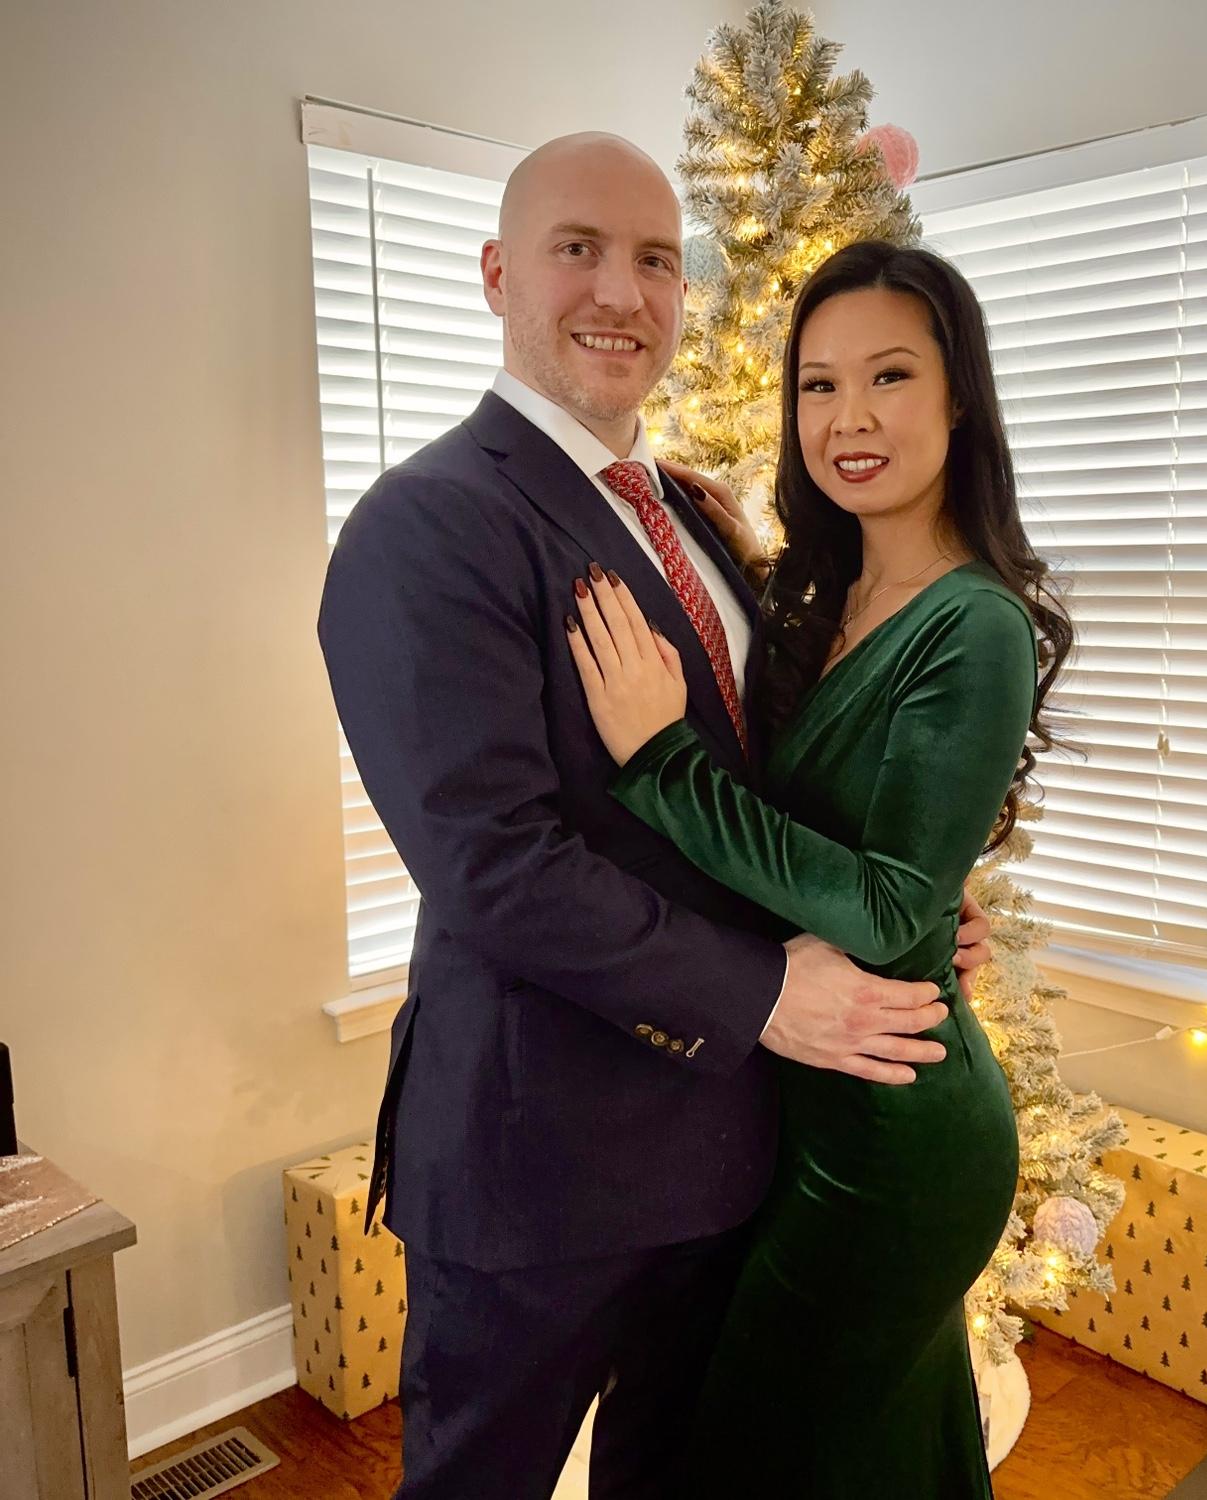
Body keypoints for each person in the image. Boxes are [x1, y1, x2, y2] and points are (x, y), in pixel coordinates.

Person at [316, 134, 996, 1500]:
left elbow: (760, 780)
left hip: (727, 1158)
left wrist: (896, 903)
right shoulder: (424, 525)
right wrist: (768, 994)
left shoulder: (690, 517)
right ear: (498, 273)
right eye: (577, 249)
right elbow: (495, 865)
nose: (620, 292)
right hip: (538, 1173)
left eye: (655, 261)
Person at [566, 238, 1071, 1497]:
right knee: (881, 1457)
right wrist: (721, 550)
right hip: (806, 1107)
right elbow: (854, 841)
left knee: (754, 1463)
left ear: (960, 398)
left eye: (890, 377)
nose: (849, 419)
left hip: (894, 1139)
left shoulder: (978, 624)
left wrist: (661, 761)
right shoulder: (824, 596)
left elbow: (890, 911)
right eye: (818, 385)